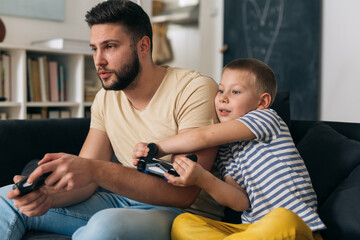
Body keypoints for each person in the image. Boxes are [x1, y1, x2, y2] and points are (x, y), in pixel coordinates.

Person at [0, 0, 223, 239]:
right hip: (123, 201)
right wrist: (46, 196)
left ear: (143, 46)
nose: (99, 61)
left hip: (183, 215)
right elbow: (84, 181)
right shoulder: (105, 99)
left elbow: (183, 194)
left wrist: (96, 170)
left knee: (104, 226)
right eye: (94, 48)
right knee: (5, 198)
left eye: (110, 46)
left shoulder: (193, 89)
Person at [133, 58, 326, 240]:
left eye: (235, 92)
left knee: (284, 218)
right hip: (251, 230)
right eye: (220, 90)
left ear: (262, 102)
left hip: (297, 227)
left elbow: (202, 136)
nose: (223, 99)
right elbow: (240, 202)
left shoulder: (267, 119)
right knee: (183, 223)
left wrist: (157, 147)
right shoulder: (225, 151)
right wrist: (201, 178)